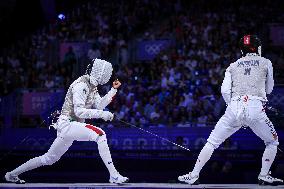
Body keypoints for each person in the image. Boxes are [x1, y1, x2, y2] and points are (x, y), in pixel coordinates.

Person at [178, 35, 283, 186]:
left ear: (242, 49)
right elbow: (270, 88)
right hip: (255, 107)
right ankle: (264, 175)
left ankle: (194, 175)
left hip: (234, 107)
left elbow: (224, 90)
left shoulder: (232, 65)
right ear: (258, 48)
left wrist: (234, 106)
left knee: (212, 142)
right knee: (272, 142)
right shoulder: (266, 62)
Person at [5, 59, 129, 184]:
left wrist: (113, 90)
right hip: (68, 124)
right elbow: (79, 111)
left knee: (48, 159)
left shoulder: (93, 87)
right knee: (100, 134)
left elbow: (99, 105)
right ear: (97, 71)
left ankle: (11, 174)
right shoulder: (81, 85)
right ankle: (114, 175)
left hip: (72, 126)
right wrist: (103, 115)